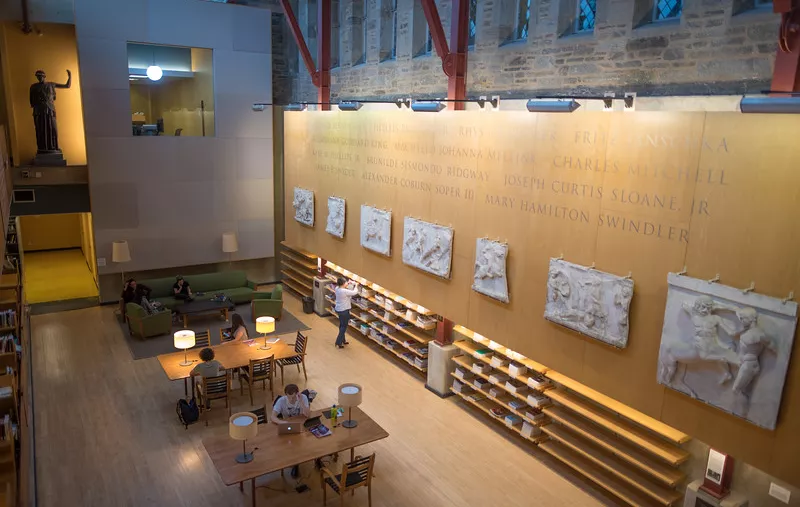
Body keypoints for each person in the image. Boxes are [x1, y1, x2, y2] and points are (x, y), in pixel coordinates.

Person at [334, 277, 359, 349]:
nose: (346, 283)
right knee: (344, 326)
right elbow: (354, 292)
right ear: (343, 284)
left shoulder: (337, 288)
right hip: (344, 311)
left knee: (342, 325)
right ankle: (338, 342)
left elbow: (345, 287)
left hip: (339, 309)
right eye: (345, 282)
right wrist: (356, 285)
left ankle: (343, 340)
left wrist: (349, 282)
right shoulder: (344, 291)